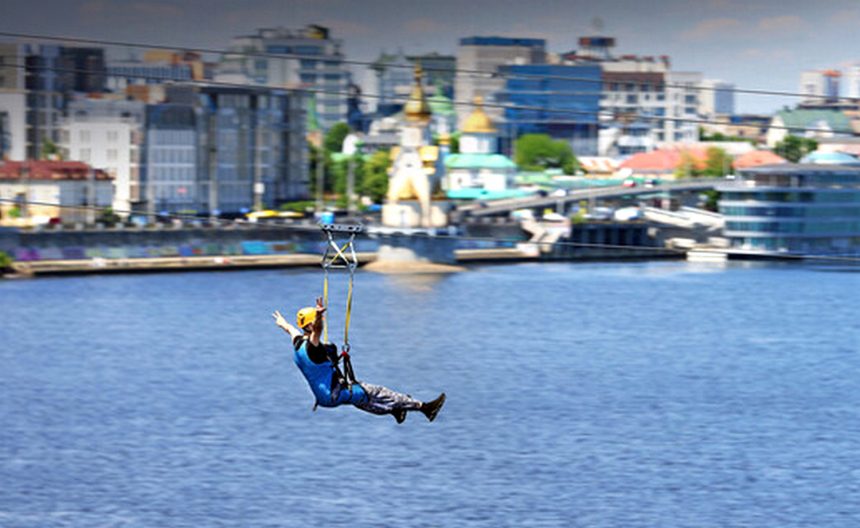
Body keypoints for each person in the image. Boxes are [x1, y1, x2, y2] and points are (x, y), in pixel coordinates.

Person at [272, 298, 445, 424]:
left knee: (361, 399)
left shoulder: (298, 343)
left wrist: (282, 322)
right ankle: (425, 408)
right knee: (377, 392)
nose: (323, 321)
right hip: (335, 393)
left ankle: (395, 411)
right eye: (319, 321)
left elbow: (290, 330)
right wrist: (317, 316)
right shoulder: (313, 348)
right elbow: (317, 330)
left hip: (324, 397)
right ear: (310, 326)